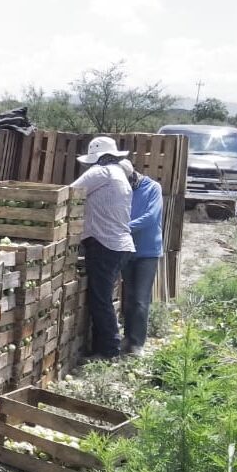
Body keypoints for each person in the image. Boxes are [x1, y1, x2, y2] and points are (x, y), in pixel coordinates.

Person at [71, 137, 135, 359]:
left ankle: (108, 351)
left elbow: (69, 193)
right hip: (119, 244)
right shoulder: (119, 174)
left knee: (101, 300)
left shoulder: (102, 172)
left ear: (98, 158)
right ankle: (103, 347)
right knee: (102, 297)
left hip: (104, 244)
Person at [119, 160, 163, 356]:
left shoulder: (153, 188)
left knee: (140, 299)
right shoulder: (122, 189)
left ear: (133, 175)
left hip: (148, 251)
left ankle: (137, 344)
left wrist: (124, 227)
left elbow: (151, 217)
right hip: (128, 249)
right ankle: (127, 338)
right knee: (128, 297)